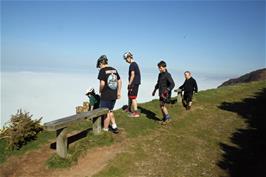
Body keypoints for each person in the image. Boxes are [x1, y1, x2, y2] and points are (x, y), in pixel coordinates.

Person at [97, 55, 122, 133]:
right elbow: (120, 81)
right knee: (110, 111)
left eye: (99, 65)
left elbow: (102, 83)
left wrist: (100, 90)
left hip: (106, 95)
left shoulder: (102, 70)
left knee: (106, 113)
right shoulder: (114, 70)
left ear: (101, 63)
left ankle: (105, 129)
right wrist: (118, 92)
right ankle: (114, 126)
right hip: (114, 94)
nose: (99, 67)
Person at [123, 52, 141, 118]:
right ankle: (129, 108)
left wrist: (129, 84)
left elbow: (132, 75)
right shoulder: (135, 64)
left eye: (126, 59)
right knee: (130, 95)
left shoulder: (132, 65)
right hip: (135, 82)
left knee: (133, 97)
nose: (126, 61)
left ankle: (136, 113)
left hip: (134, 83)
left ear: (129, 57)